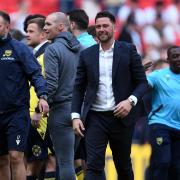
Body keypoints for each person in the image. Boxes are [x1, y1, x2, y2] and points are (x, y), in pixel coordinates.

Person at [71, 11, 148, 180]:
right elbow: (78, 88)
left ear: (114, 27)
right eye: (98, 26)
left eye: (105, 26)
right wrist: (75, 116)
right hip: (95, 118)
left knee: (123, 165)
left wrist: (130, 101)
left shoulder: (128, 50)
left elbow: (142, 83)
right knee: (93, 165)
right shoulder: (86, 55)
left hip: (121, 117)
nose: (101, 29)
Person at [0, 11, 49, 180]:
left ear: (7, 27)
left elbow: (36, 74)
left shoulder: (19, 49)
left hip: (16, 113)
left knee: (15, 156)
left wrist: (43, 96)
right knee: (1, 160)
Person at [44, 12, 81, 180]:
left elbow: (51, 84)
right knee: (73, 160)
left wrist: (43, 101)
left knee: (65, 162)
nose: (44, 28)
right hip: (80, 111)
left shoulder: (52, 49)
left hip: (60, 110)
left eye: (48, 24)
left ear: (61, 27)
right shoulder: (82, 48)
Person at [26, 17, 56, 180]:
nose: (27, 35)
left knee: (42, 161)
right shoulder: (35, 53)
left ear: (43, 35)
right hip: (36, 113)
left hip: (40, 115)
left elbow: (47, 84)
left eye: (31, 31)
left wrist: (37, 109)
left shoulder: (46, 54)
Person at [147, 46, 180, 180]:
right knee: (163, 162)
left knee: (177, 167)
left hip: (178, 127)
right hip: (161, 124)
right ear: (168, 59)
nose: (178, 59)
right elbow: (141, 85)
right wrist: (138, 72)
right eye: (175, 56)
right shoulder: (158, 75)